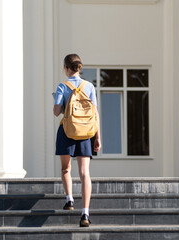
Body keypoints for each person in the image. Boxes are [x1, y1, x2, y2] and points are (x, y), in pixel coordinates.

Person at [53, 54, 101, 227]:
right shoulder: (89, 86)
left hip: (67, 131)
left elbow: (56, 111)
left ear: (66, 68)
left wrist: (58, 100)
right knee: (84, 173)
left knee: (66, 168)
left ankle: (70, 200)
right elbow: (95, 114)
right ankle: (85, 213)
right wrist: (97, 137)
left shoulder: (62, 86)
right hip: (86, 132)